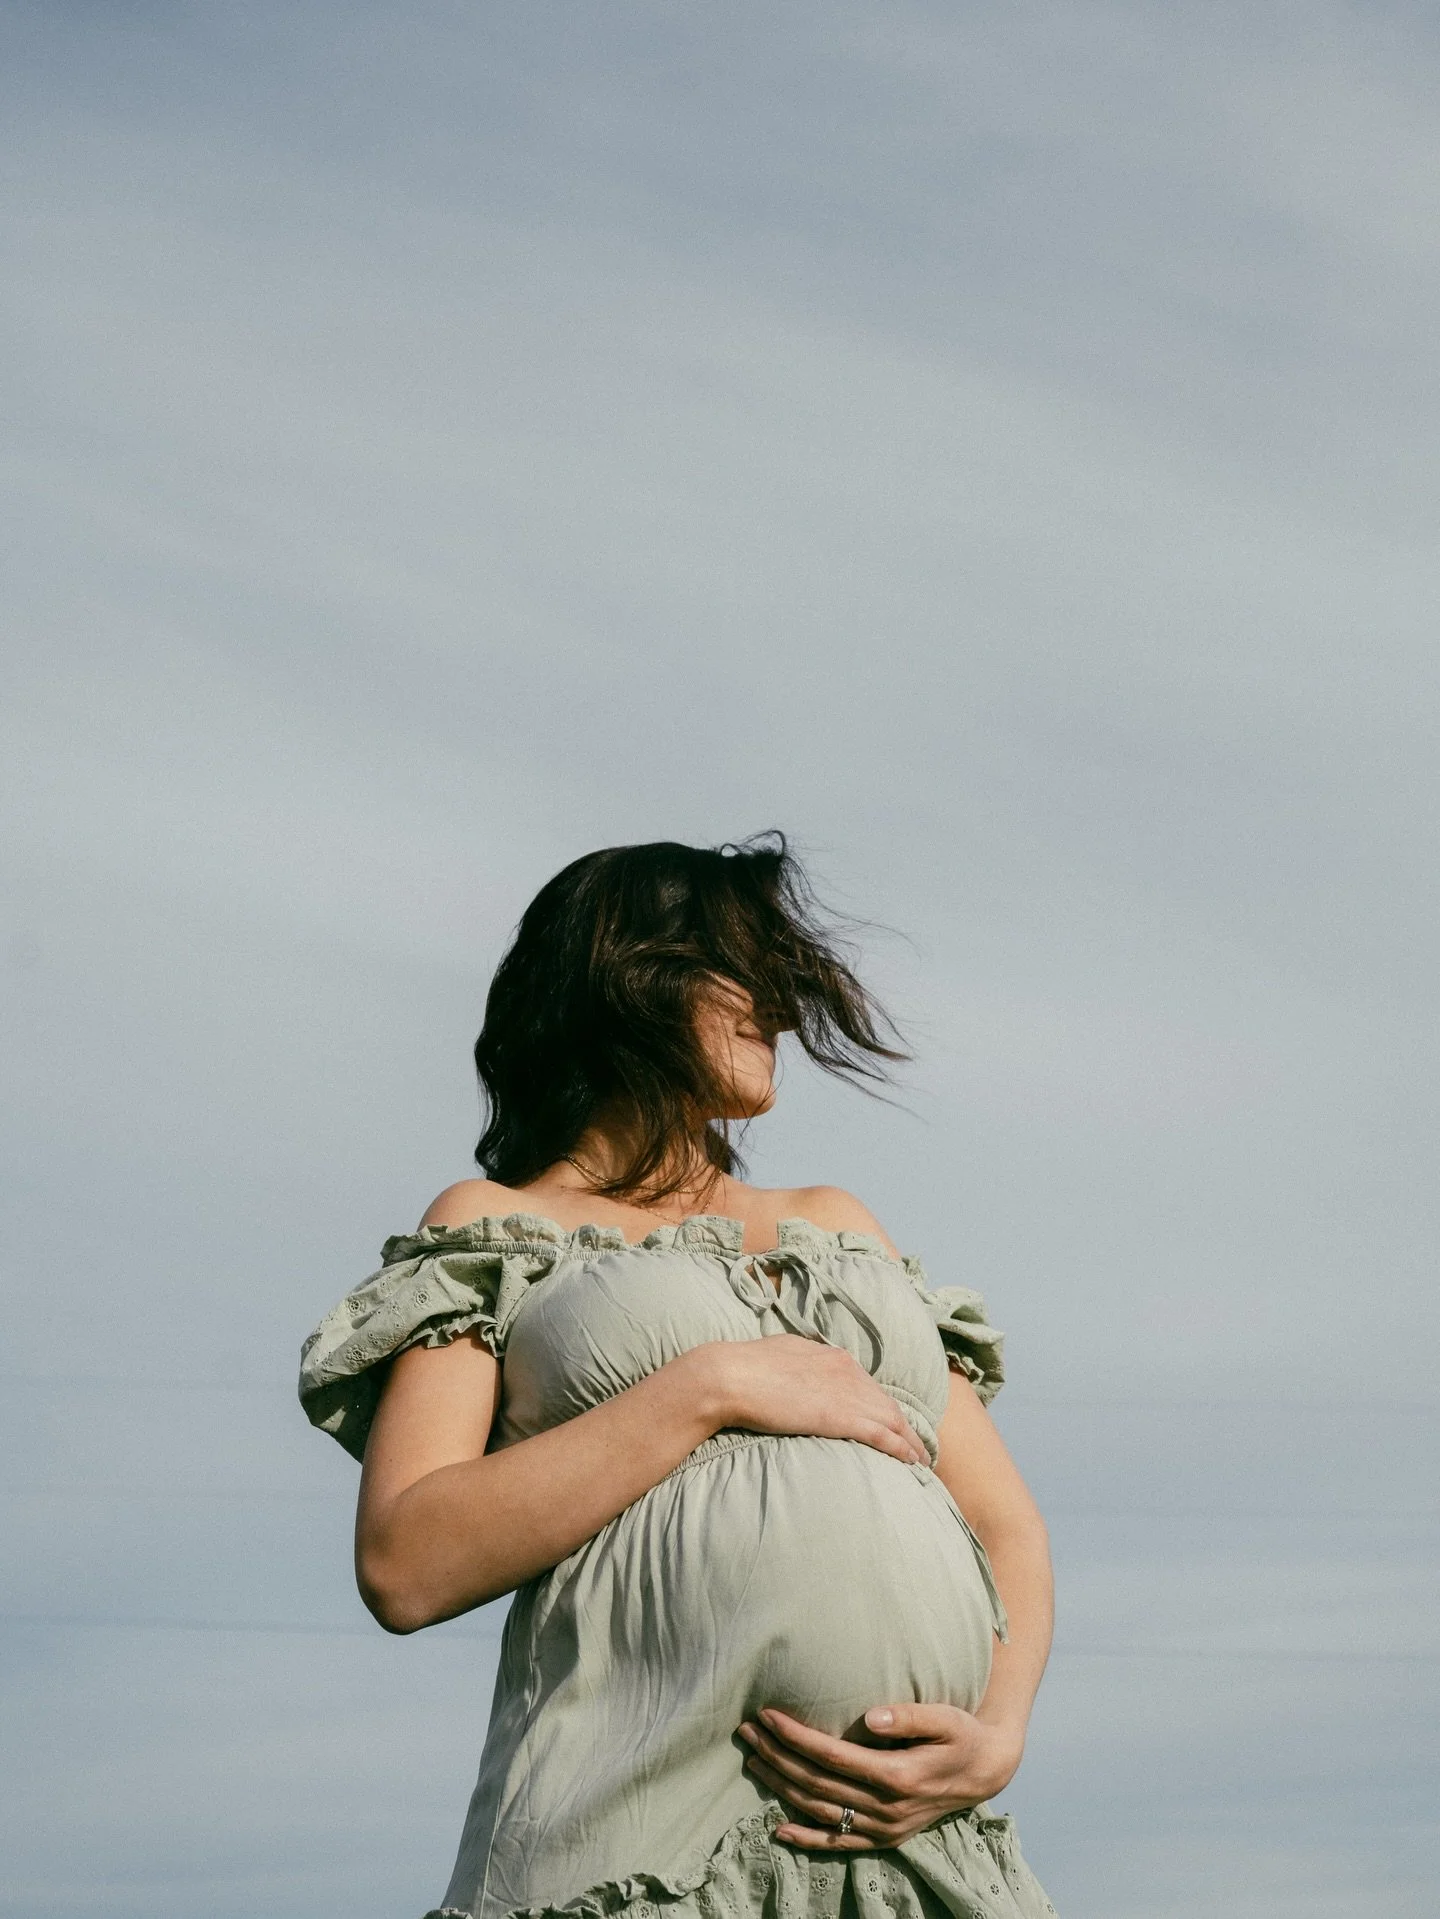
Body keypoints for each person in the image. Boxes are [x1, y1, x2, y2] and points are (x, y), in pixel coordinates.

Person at [299, 834, 1059, 1919]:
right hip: (636, 1848)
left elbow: (1006, 1524)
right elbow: (405, 1560)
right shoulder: (493, 1225)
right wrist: (708, 1385)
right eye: (745, 973)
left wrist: (999, 1736)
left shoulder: (838, 1223)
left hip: (911, 1857)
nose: (782, 1013)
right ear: (627, 974)